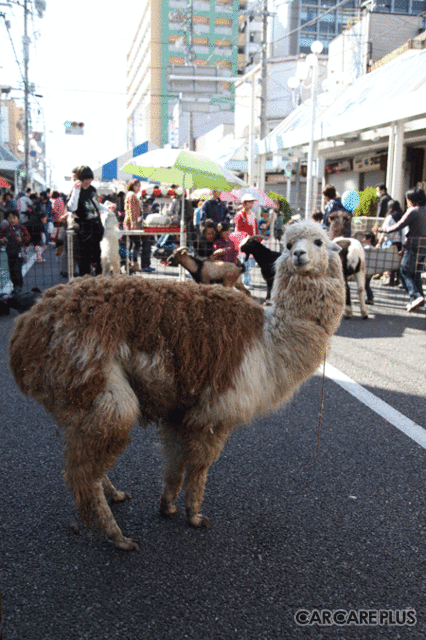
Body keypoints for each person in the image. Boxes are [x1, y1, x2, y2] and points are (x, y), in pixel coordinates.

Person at [382, 187, 426, 312]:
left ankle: (416, 296)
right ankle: (419, 301)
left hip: (413, 245)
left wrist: (385, 230)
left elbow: (399, 225)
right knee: (416, 274)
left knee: (404, 272)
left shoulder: (413, 211)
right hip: (424, 247)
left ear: (412, 199)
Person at [67, 165, 106, 276]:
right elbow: (72, 207)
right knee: (84, 262)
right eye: (85, 180)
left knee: (99, 259)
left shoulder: (92, 189)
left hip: (96, 229)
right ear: (80, 179)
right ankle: (86, 286)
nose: (88, 182)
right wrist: (76, 190)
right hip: (83, 232)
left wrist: (108, 209)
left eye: (90, 179)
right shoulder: (75, 190)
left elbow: (96, 206)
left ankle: (99, 282)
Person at [0, 211, 31, 293]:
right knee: (12, 270)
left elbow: (28, 237)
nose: (12, 219)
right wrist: (2, 240)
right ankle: (15, 286)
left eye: (14, 217)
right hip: (10, 253)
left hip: (19, 252)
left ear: (18, 218)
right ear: (7, 219)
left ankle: (19, 286)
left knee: (17, 269)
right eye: (9, 218)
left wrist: (22, 239)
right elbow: (1, 238)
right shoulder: (5, 229)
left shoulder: (21, 227)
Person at [234, 194, 259, 289]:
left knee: (252, 261)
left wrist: (258, 240)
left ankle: (244, 279)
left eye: (252, 202)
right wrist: (245, 239)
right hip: (243, 242)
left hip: (252, 241)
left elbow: (255, 228)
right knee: (245, 261)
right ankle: (245, 282)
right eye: (249, 202)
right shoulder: (239, 215)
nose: (251, 204)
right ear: (244, 203)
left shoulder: (253, 214)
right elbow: (239, 229)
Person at [123, 179, 143, 273]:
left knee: (131, 244)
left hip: (132, 221)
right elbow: (131, 210)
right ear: (131, 186)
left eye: (139, 186)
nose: (138, 187)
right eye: (136, 186)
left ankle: (128, 263)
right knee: (135, 243)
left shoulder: (131, 194)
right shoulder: (131, 195)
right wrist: (133, 222)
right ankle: (133, 263)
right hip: (132, 223)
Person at [362, 231, 377, 306]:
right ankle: (369, 297)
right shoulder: (371, 247)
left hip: (367, 269)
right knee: (365, 284)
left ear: (369, 239)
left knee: (365, 284)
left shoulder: (367, 248)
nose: (363, 239)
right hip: (369, 269)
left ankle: (370, 298)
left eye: (364, 237)